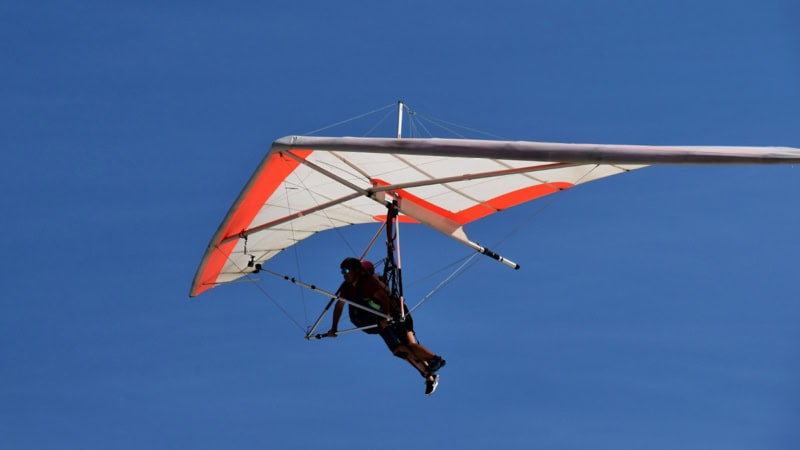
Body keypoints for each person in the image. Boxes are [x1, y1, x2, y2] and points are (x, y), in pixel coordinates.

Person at [326, 257, 446, 395]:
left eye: (346, 270)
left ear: (356, 271)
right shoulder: (346, 288)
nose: (344, 273)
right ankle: (430, 377)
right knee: (399, 351)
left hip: (396, 316)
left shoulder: (368, 283)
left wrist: (387, 316)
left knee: (410, 345)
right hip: (380, 323)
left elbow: (383, 298)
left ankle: (436, 360)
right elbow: (339, 306)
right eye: (342, 271)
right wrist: (334, 327)